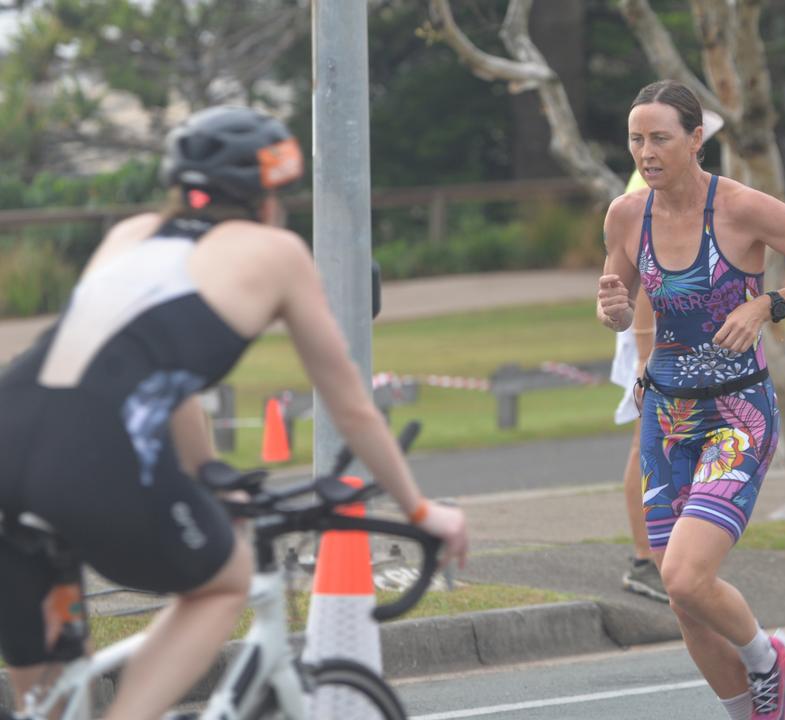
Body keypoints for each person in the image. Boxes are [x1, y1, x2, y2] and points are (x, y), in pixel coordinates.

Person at [0, 105, 468, 720]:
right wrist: (419, 508)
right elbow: (350, 405)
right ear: (270, 191)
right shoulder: (277, 252)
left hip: (9, 432)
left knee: (50, 697)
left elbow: (164, 382)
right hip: (95, 456)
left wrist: (207, 476)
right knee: (224, 581)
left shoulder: (130, 233)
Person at [597, 80, 785, 720]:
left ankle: (770, 658)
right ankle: (759, 712)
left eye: (660, 137)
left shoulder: (742, 209)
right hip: (666, 419)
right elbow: (619, 302)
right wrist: (609, 310)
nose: (646, 152)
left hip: (735, 419)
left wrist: (769, 303)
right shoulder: (626, 215)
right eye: (636, 138)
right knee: (685, 604)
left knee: (687, 576)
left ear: (695, 140)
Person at [614, 110, 724, 603]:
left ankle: (675, 552)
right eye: (641, 139)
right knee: (647, 443)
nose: (648, 148)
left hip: (676, 332)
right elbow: (644, 275)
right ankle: (644, 558)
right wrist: (644, 355)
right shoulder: (650, 183)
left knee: (673, 442)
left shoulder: (692, 186)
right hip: (656, 334)